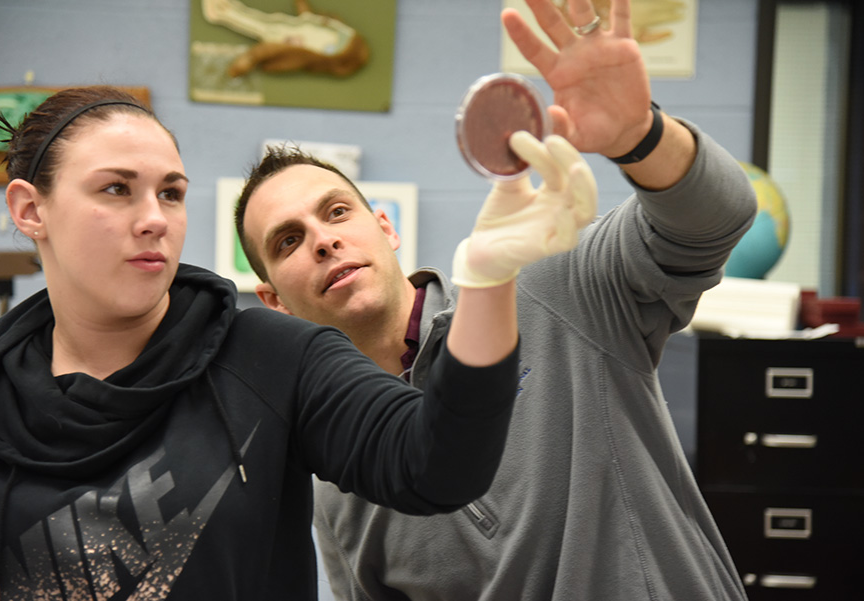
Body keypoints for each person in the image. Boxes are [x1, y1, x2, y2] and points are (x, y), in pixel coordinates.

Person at [0, 83, 586, 600]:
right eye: (116, 189)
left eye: (172, 193)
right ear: (30, 210)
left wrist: (485, 281)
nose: (155, 216)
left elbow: (437, 462)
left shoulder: (269, 356)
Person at [234, 0, 759, 599]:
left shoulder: (549, 283)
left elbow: (716, 221)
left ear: (386, 228)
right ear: (273, 300)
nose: (324, 240)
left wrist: (640, 137)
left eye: (336, 212)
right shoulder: (339, 474)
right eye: (289, 240)